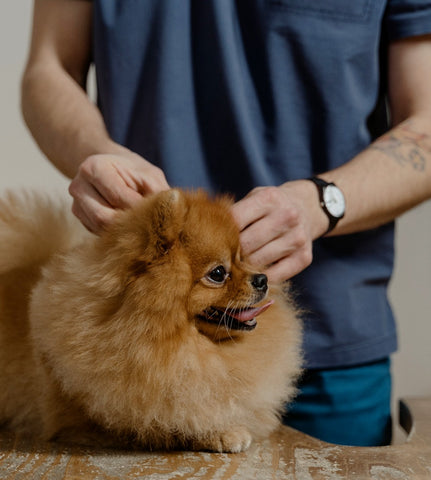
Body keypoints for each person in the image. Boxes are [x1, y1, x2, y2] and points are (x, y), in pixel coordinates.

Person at [21, 0, 431, 447]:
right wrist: (94, 151)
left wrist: (323, 202)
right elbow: (48, 67)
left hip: (333, 346)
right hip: (125, 365)